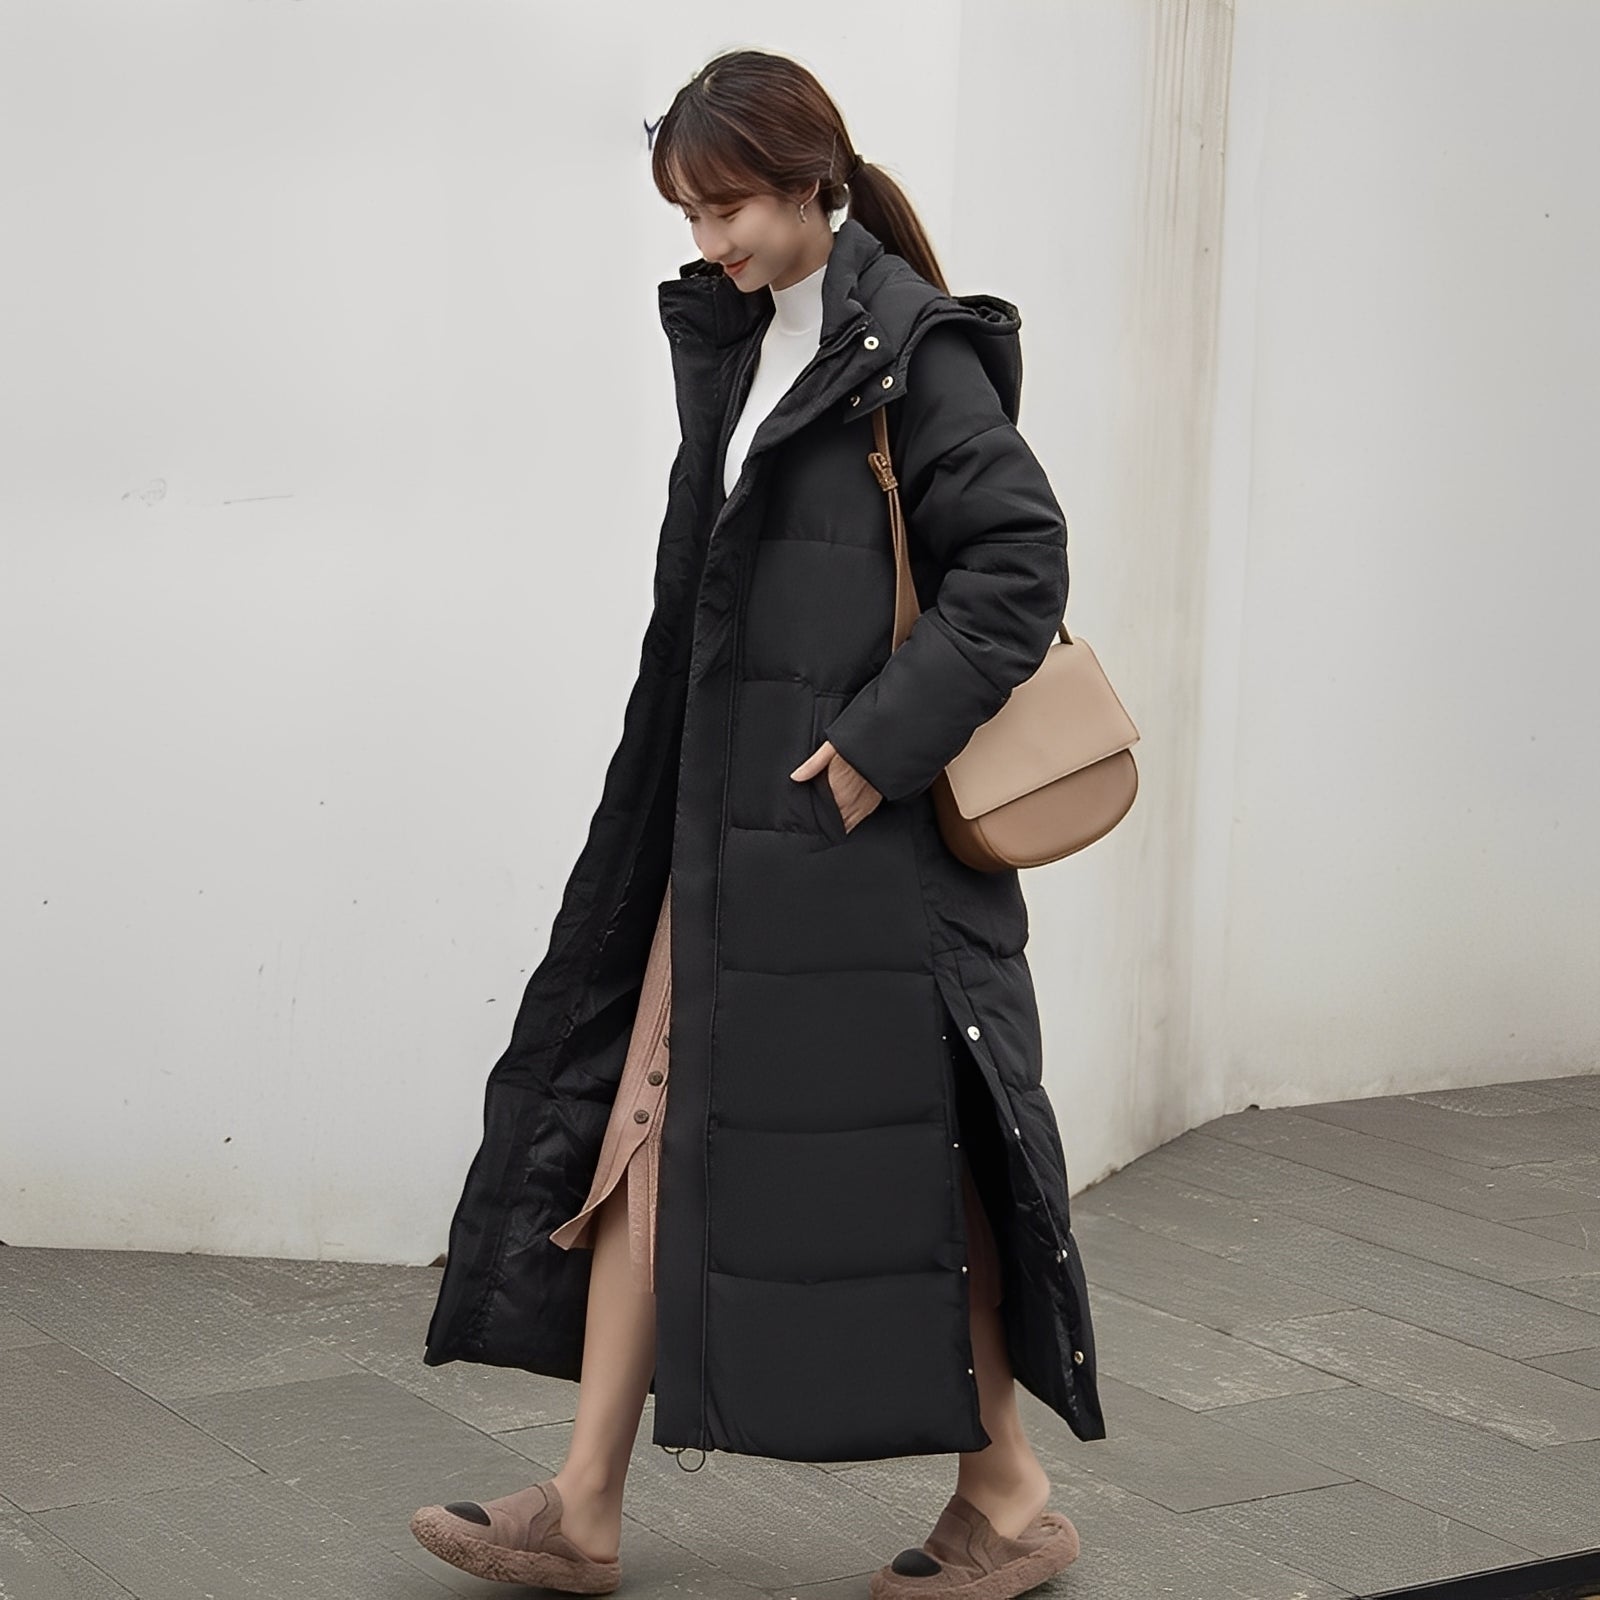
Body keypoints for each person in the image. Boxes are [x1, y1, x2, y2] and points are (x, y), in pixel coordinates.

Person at [410, 46, 1105, 1599]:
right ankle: (586, 1503)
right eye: (687, 211)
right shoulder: (743, 340)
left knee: (908, 1178)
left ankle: (1007, 1494)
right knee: (646, 1130)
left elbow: (1018, 565)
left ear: (812, 182)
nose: (706, 238)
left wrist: (872, 749)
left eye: (726, 207)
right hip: (726, 835)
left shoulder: (910, 349)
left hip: (862, 863)